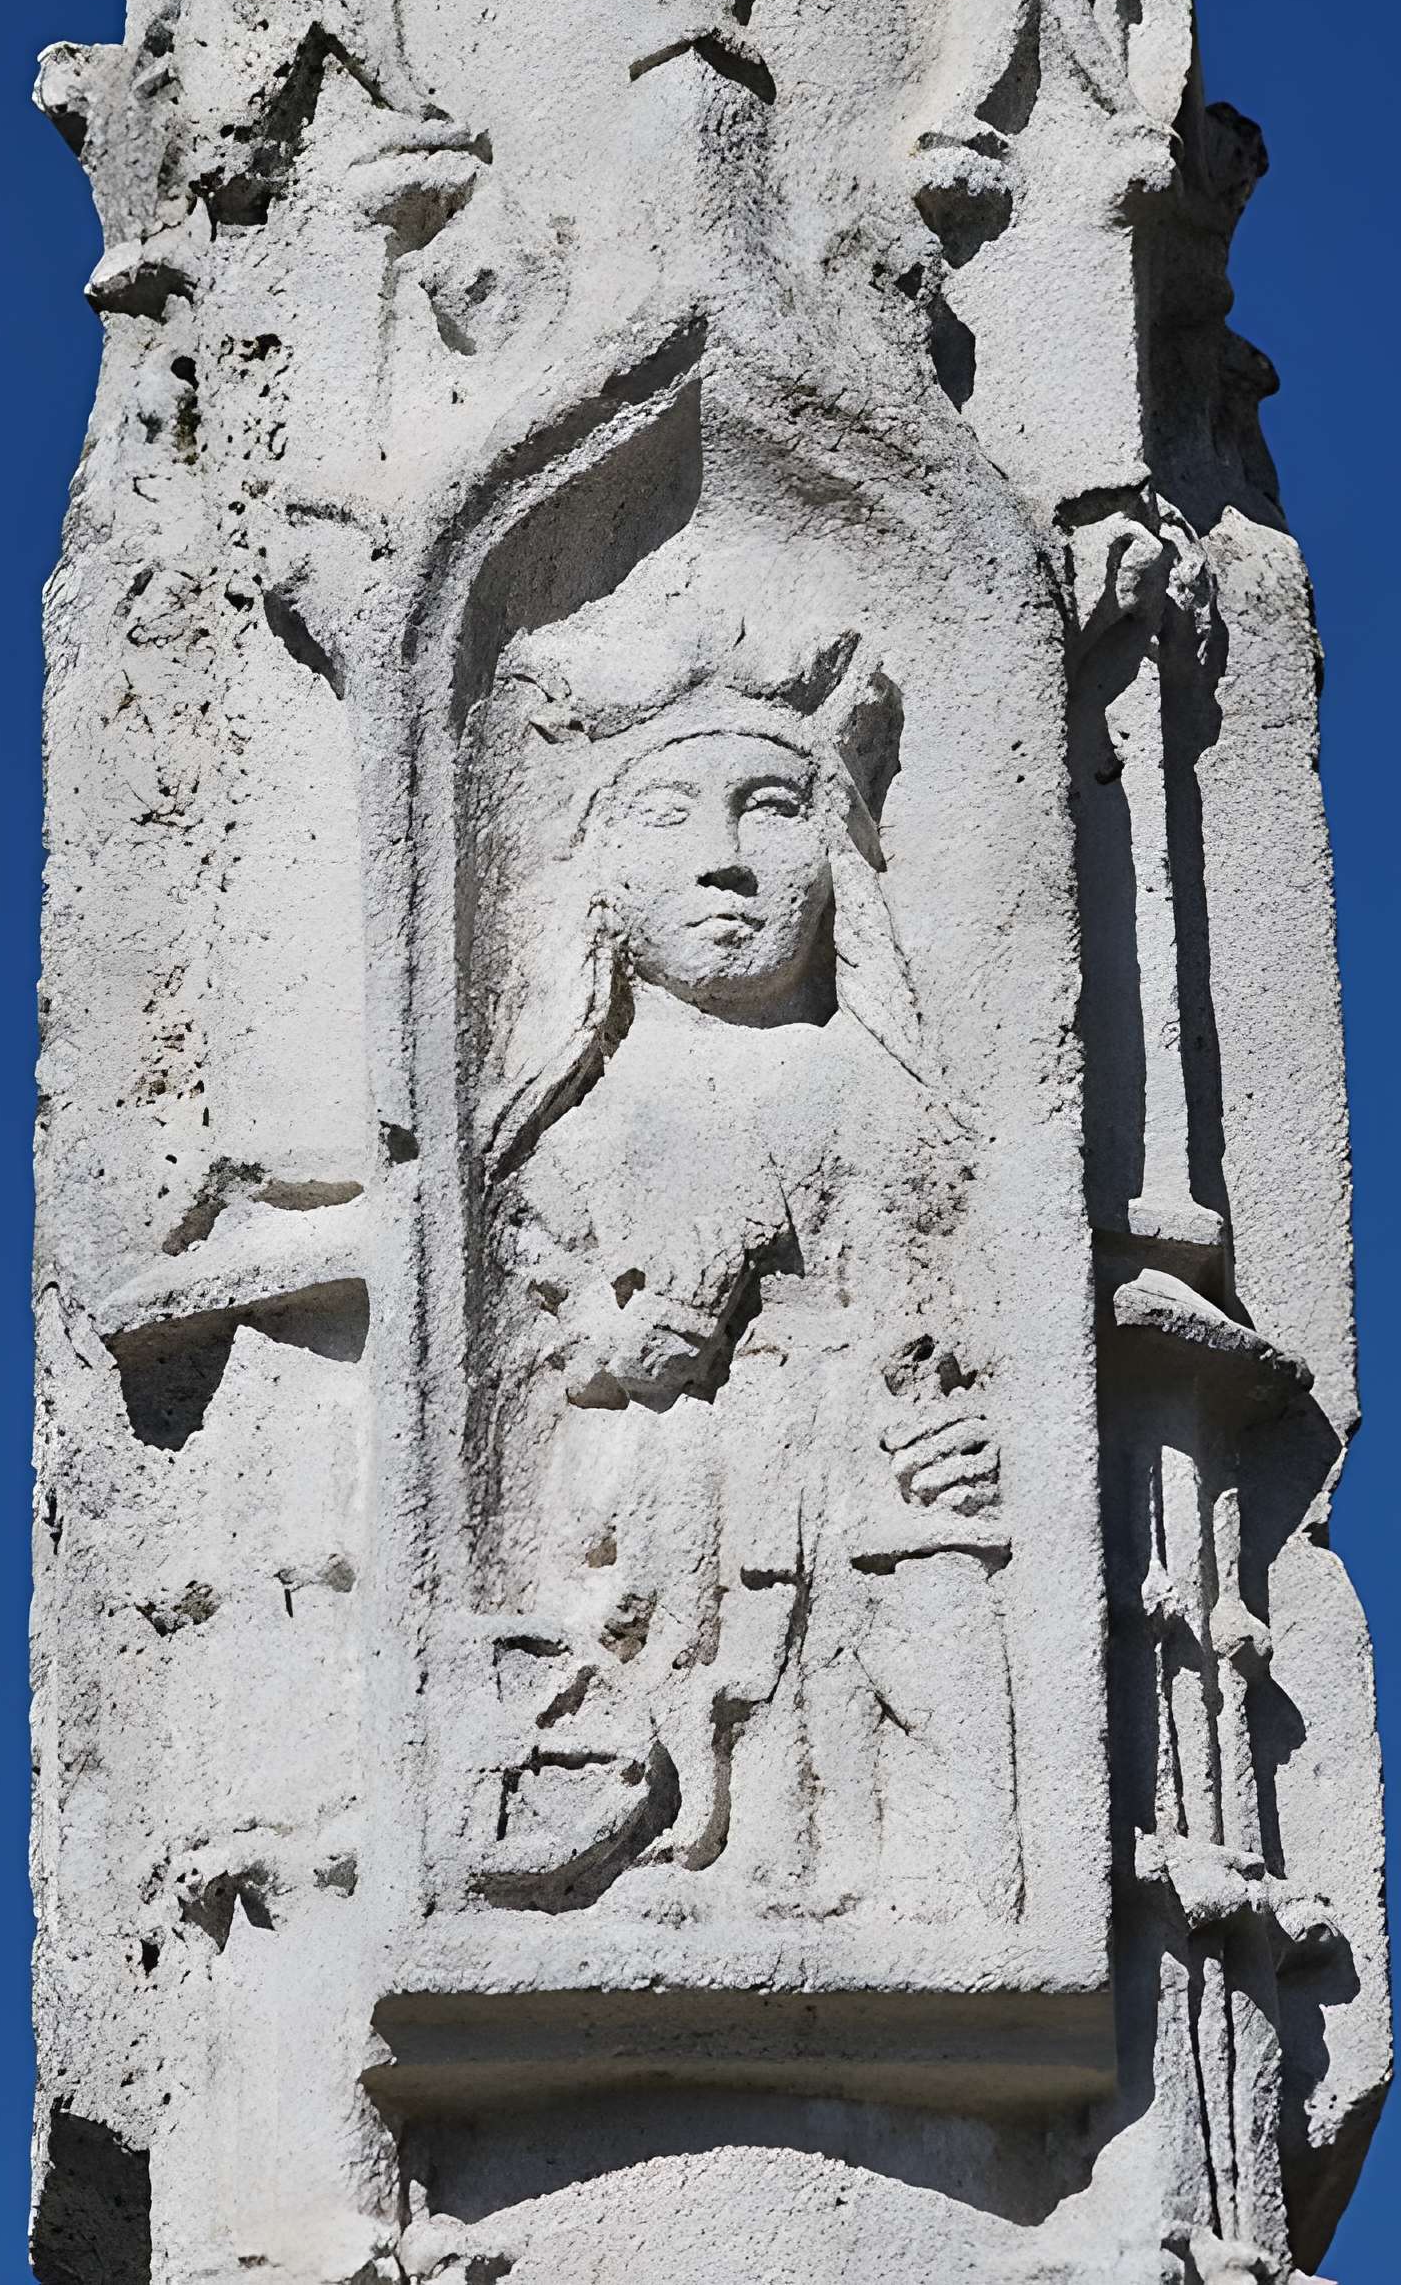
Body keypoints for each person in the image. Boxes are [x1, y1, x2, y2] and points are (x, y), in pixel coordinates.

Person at [464, 619, 1022, 1929]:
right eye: (669, 815)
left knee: (836, 1696)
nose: (724, 859)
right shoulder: (569, 1129)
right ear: (604, 873)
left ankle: (854, 1872)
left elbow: (940, 1321)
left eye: (770, 809)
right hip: (658, 1512)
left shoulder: (869, 1098)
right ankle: (667, 1840)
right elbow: (537, 1333)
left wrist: (956, 1427)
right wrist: (630, 1339)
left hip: (845, 1485)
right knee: (686, 1681)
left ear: (834, 857)